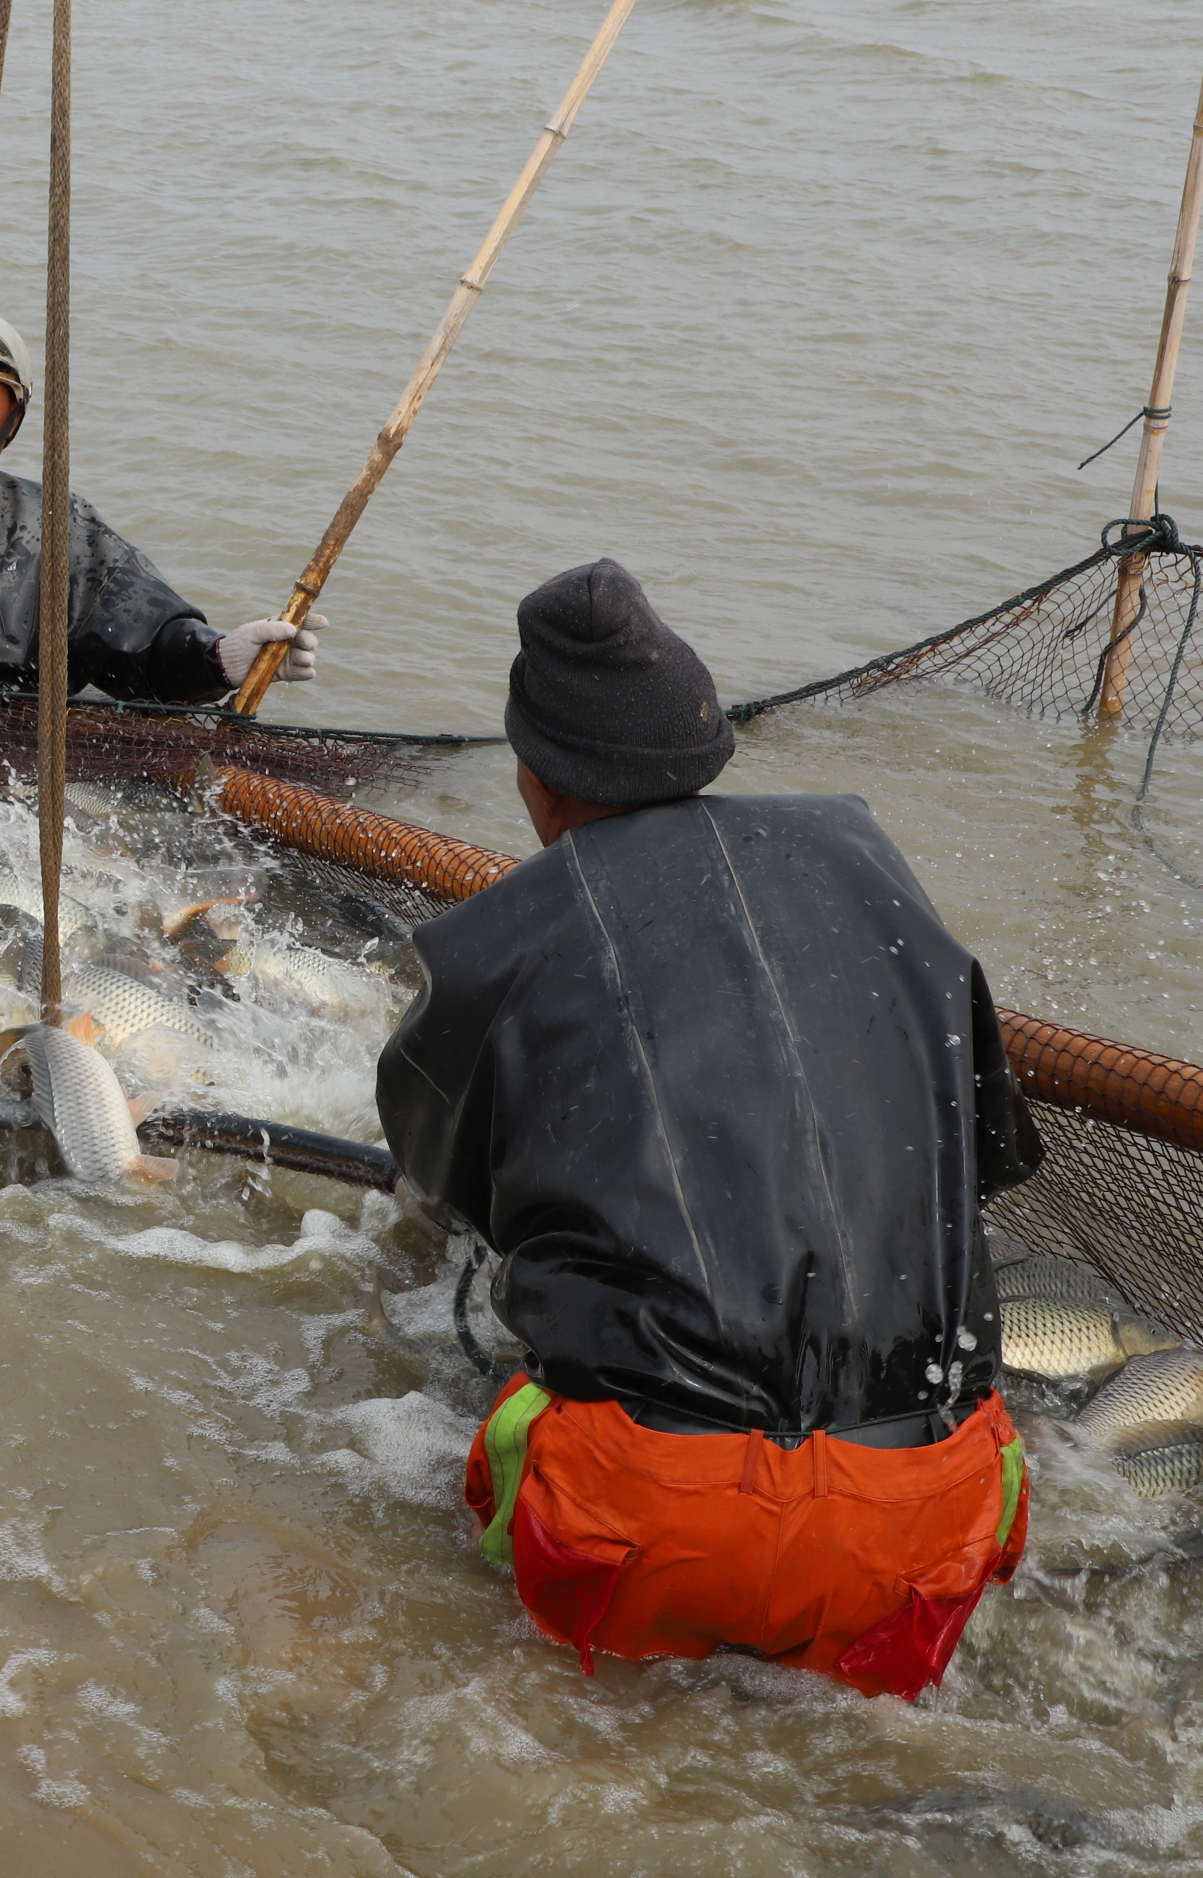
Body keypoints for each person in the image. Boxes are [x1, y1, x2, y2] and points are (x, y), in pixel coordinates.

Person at [375, 560, 1046, 1700]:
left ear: (534, 777)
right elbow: (988, 1154)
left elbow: (450, 1202)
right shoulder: (866, 857)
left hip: (653, 1522)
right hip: (935, 1512)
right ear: (706, 740)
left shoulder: (487, 946)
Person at [0, 310, 329, 704]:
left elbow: (140, 634)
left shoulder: (56, 524)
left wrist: (223, 659)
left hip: (12, 758)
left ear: (10, 423)